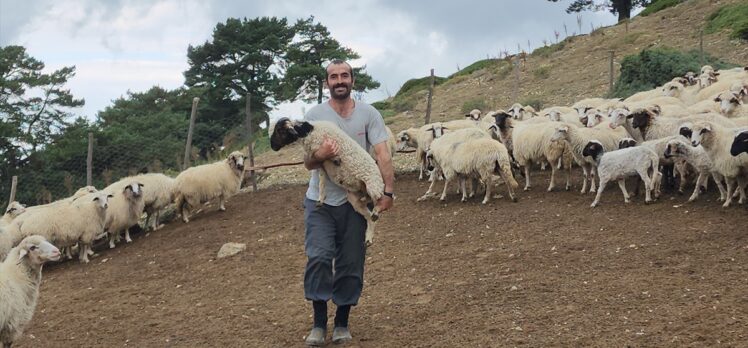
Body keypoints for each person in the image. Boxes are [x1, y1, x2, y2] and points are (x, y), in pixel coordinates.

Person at [301, 59, 395, 346]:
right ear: (326, 83)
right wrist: (321, 153)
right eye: (333, 77)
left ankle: (341, 322)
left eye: (344, 76)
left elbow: (382, 153)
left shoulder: (369, 114)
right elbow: (307, 163)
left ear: (352, 80)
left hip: (356, 202)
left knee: (351, 264)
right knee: (318, 256)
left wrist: (388, 191)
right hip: (321, 202)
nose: (339, 80)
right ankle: (318, 324)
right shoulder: (314, 115)